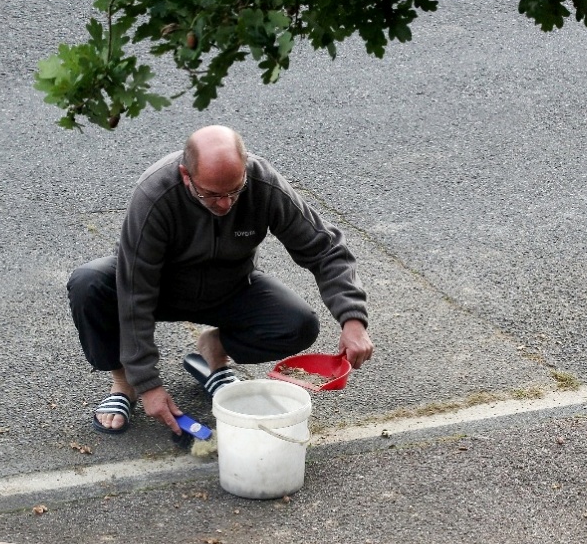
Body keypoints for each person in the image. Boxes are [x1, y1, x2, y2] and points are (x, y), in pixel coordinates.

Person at [67, 125, 373, 435]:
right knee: (89, 283)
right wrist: (147, 384)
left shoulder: (262, 182)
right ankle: (123, 385)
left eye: (234, 191)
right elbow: (134, 291)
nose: (226, 204)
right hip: (160, 289)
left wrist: (353, 320)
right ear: (187, 176)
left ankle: (214, 349)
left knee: (299, 323)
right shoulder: (155, 194)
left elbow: (325, 248)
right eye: (212, 194)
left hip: (230, 288)